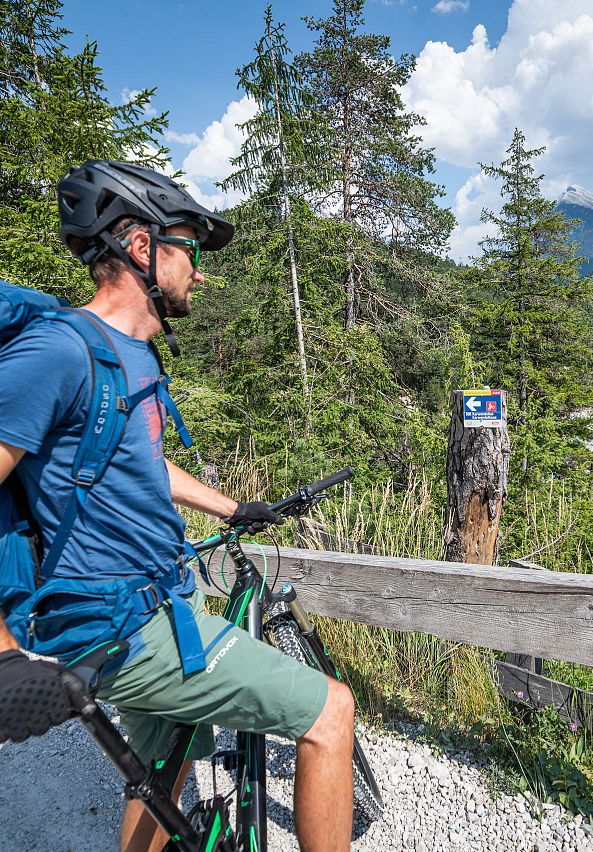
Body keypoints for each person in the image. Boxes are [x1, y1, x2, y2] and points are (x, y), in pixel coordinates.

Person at [0, 160, 354, 852]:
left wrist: (230, 508)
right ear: (140, 248)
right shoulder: (60, 351)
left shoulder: (129, 355)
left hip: (152, 602)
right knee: (330, 712)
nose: (200, 268)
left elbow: (140, 462)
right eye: (188, 246)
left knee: (168, 760)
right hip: (119, 626)